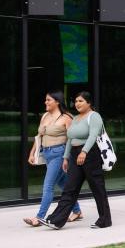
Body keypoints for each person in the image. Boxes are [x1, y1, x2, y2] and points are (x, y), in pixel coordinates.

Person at [39, 92, 111, 229]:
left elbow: (93, 136)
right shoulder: (76, 118)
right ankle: (56, 220)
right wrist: (66, 157)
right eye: (76, 101)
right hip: (74, 154)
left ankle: (105, 220)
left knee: (97, 188)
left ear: (89, 103)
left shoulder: (94, 116)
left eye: (81, 101)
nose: (77, 104)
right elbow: (70, 139)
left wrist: (84, 151)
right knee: (69, 188)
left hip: (90, 154)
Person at [22, 91, 82, 227]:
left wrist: (67, 158)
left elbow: (72, 139)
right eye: (45, 100)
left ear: (57, 102)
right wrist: (32, 153)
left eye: (48, 100)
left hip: (59, 154)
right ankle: (77, 211)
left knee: (48, 186)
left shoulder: (66, 118)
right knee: (63, 184)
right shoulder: (45, 116)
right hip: (47, 154)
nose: (46, 102)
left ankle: (39, 217)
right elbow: (39, 136)